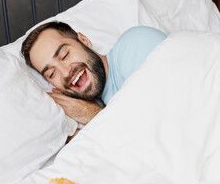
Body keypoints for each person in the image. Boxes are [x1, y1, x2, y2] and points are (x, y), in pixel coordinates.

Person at [21, 22, 167, 126]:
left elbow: (164, 126)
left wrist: (92, 115)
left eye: (65, 55)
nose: (65, 73)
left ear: (84, 41)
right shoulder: (100, 105)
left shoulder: (133, 44)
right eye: (52, 74)